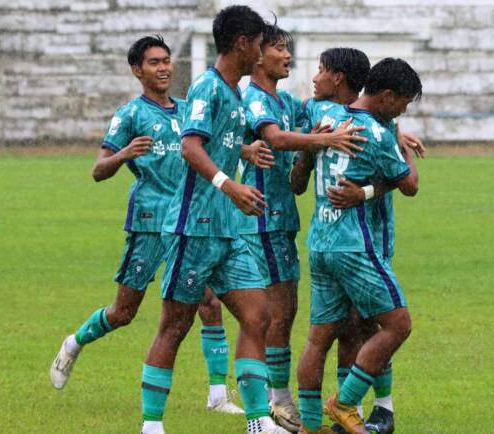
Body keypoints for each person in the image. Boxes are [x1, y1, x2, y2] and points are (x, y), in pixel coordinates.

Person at [48, 35, 264, 414]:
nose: (164, 68)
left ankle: (217, 396)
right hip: (150, 222)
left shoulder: (187, 108)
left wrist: (244, 150)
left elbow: (206, 146)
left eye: (166, 61)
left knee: (209, 304)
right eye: (153, 62)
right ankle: (75, 342)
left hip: (193, 222)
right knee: (124, 312)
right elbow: (98, 170)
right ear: (137, 70)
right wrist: (125, 154)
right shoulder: (131, 115)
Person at [139, 6, 288, 434]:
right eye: (260, 42)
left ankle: (258, 421)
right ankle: (152, 425)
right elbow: (190, 146)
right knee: (175, 324)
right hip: (193, 227)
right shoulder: (207, 86)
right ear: (243, 43)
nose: (262, 50)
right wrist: (231, 185)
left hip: (228, 230)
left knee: (258, 315)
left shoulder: (236, 92)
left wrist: (245, 152)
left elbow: (218, 141)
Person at [240, 26, 366, 433]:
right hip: (259, 217)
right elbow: (275, 139)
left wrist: (394, 130)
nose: (287, 55)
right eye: (278, 47)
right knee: (271, 313)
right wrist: (314, 141)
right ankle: (276, 403)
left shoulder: (289, 101)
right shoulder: (255, 98)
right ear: (258, 55)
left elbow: (325, 121)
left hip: (282, 218)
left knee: (284, 311)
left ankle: (276, 401)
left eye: (287, 48)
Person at [294, 58, 422, 434]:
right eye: (402, 103)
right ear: (384, 96)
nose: (402, 110)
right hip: (354, 245)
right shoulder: (377, 133)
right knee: (397, 325)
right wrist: (406, 151)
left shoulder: (330, 120)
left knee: (318, 338)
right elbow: (409, 185)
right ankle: (346, 403)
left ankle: (309, 425)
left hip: (320, 241)